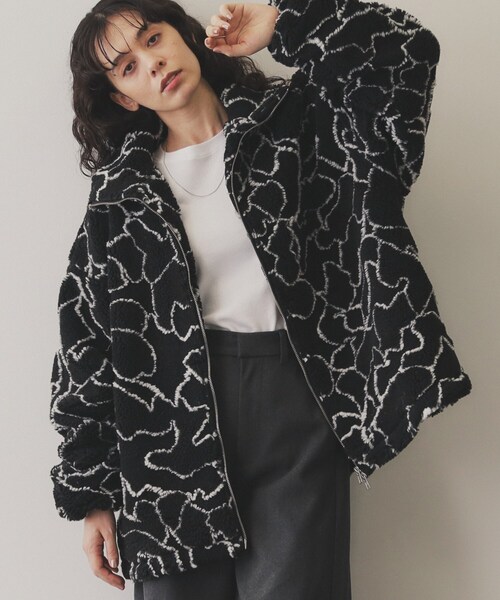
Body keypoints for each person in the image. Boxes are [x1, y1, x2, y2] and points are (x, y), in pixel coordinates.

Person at [49, 0, 472, 598]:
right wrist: (91, 492)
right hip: (167, 432)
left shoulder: (294, 126)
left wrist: (289, 22)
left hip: (295, 403)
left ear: (183, 35)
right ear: (123, 97)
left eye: (153, 38)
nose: (152, 62)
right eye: (127, 66)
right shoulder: (121, 196)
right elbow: (85, 342)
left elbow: (405, 53)